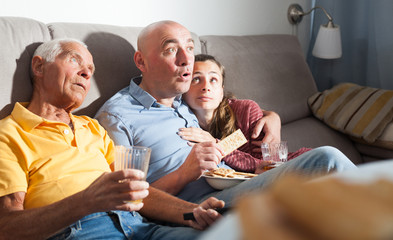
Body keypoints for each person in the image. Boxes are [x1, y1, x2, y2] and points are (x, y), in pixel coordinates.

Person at [95, 20, 357, 207]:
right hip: (196, 202)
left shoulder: (182, 98)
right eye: (171, 49)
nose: (186, 60)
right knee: (327, 158)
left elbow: (237, 118)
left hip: (241, 181)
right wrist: (184, 174)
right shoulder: (119, 116)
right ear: (141, 61)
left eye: (189, 47)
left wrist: (273, 117)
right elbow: (124, 198)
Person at [0, 38, 225, 240]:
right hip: (79, 231)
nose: (86, 73)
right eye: (74, 61)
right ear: (39, 66)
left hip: (139, 227)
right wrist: (85, 201)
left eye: (90, 69)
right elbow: (6, 227)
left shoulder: (93, 128)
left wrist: (191, 212)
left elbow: (134, 191)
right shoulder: (9, 133)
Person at [180, 54, 312, 174]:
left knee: (327, 155)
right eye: (196, 79)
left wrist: (216, 145)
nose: (206, 87)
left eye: (213, 79)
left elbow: (267, 167)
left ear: (221, 91)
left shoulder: (246, 111)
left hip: (294, 168)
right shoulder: (178, 118)